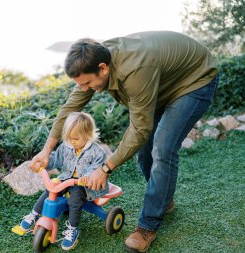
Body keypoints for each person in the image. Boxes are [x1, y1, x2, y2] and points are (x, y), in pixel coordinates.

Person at [30, 31, 219, 252]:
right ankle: (163, 199)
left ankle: (147, 227)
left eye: (88, 83)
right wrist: (47, 149)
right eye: (80, 84)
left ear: (103, 68)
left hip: (194, 80)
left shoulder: (136, 71)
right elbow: (70, 108)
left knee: (162, 149)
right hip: (162, 85)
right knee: (144, 153)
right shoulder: (91, 64)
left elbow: (139, 128)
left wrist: (105, 168)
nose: (84, 89)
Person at [21, 111, 108, 251]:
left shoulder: (97, 152)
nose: (71, 142)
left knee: (74, 199)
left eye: (75, 139)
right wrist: (44, 164)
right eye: (68, 138)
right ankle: (34, 214)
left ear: (88, 134)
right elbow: (56, 159)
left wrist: (87, 177)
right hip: (66, 178)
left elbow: (97, 169)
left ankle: (73, 228)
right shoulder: (66, 146)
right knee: (51, 189)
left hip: (85, 185)